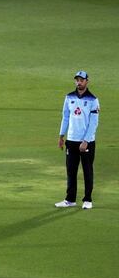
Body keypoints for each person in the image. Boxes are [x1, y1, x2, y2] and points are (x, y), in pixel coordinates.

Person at [56, 70, 100, 210]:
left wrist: (86, 140)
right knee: (71, 170)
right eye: (77, 80)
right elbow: (66, 117)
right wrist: (61, 136)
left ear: (87, 81)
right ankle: (70, 199)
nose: (79, 82)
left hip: (86, 142)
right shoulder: (69, 97)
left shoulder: (93, 99)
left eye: (82, 80)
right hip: (71, 140)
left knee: (87, 170)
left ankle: (87, 199)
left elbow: (94, 123)